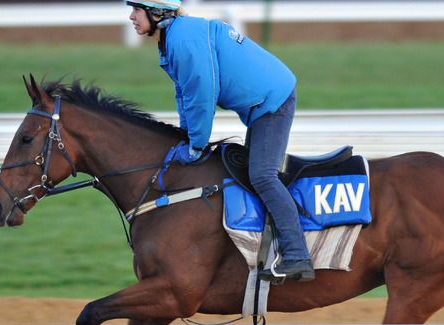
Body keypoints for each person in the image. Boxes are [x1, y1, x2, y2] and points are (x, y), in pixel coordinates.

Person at [125, 0, 314, 282]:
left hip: (273, 101)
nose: (131, 17)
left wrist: (196, 145)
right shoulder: (174, 37)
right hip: (265, 100)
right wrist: (187, 137)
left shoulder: (183, 40)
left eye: (137, 11)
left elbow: (202, 96)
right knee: (251, 175)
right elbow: (185, 94)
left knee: (261, 176)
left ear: (157, 13)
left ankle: (299, 256)